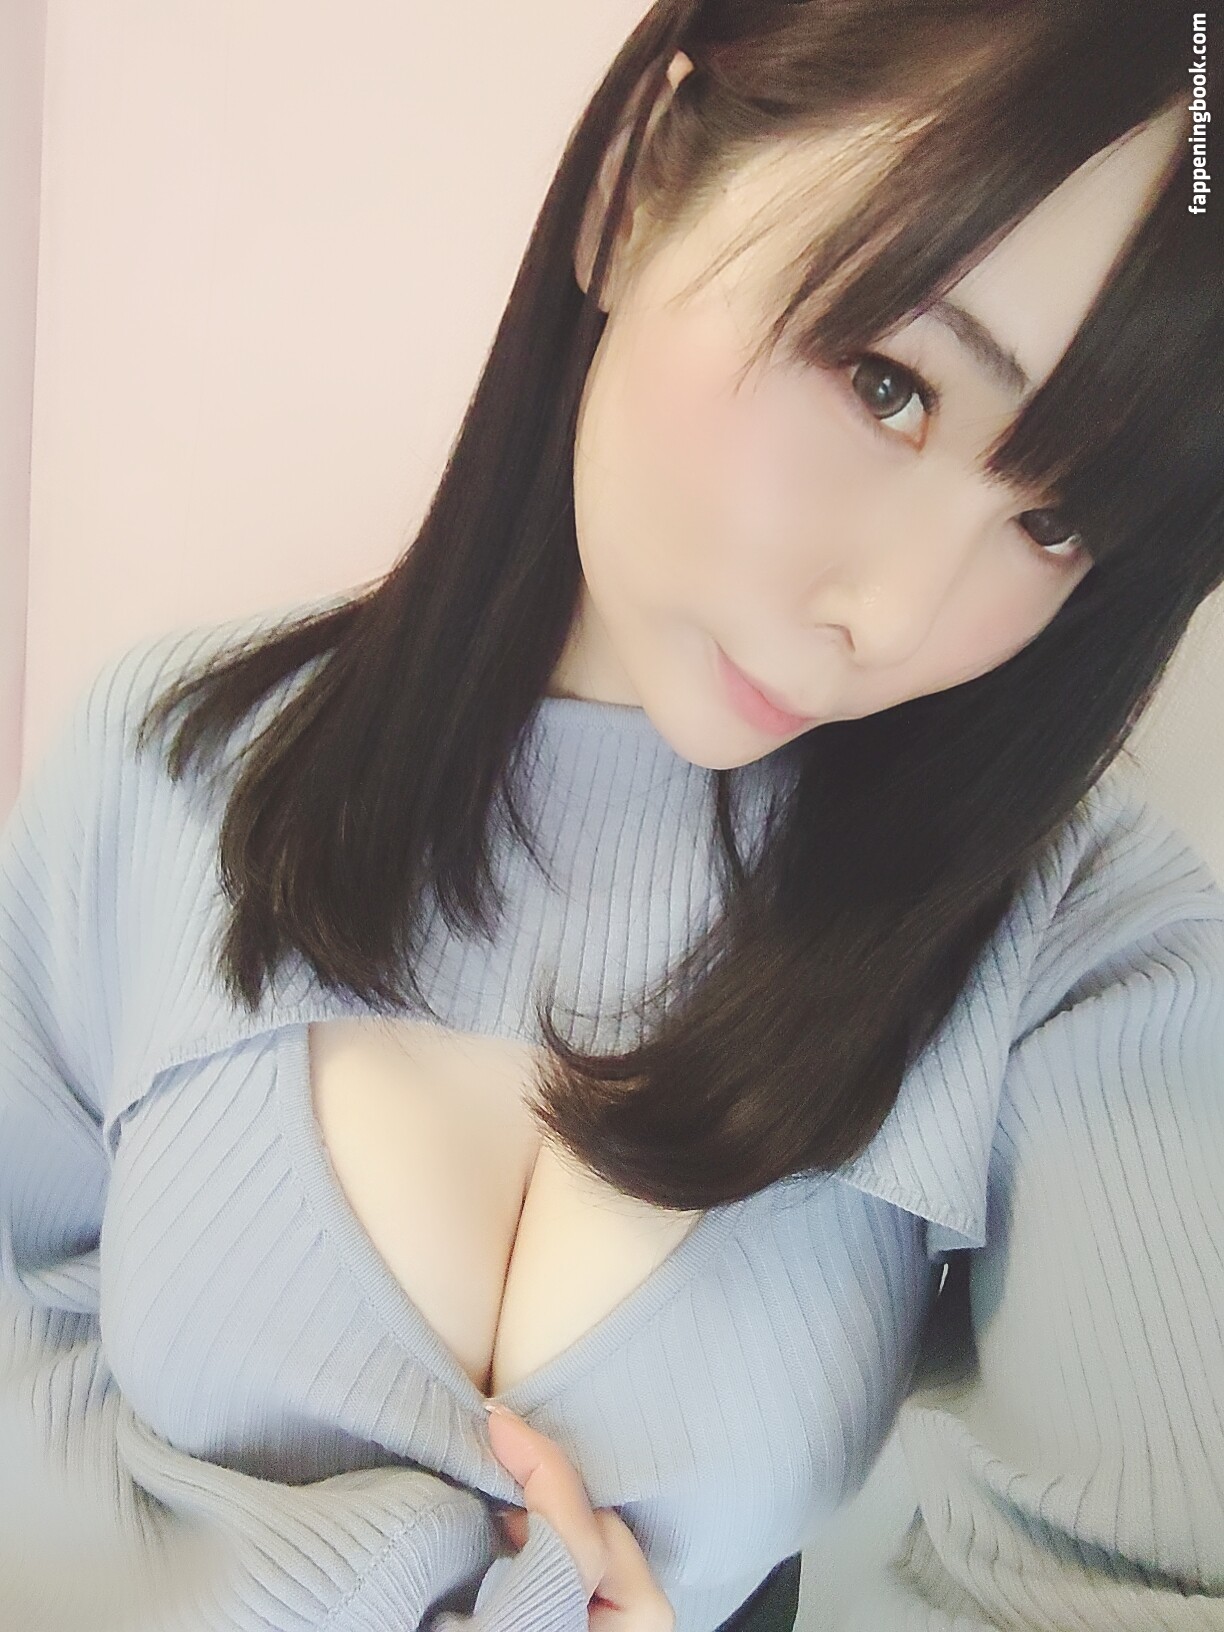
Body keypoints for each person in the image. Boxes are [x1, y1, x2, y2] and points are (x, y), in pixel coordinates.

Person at [1, 2, 1221, 1629]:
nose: (896, 613)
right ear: (639, 185)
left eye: (1058, 518)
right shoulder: (170, 759)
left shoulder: (1082, 945)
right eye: (890, 384)